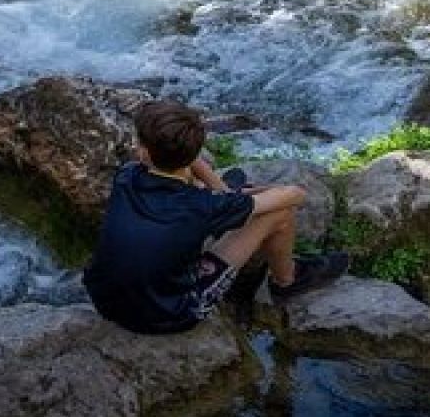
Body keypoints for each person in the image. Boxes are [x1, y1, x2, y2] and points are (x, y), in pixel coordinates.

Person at [82, 99, 349, 335]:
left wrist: (224, 193)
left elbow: (180, 164)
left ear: (143, 152)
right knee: (280, 212)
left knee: (212, 200)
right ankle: (287, 280)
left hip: (104, 302)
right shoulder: (203, 206)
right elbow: (295, 195)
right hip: (169, 316)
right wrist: (238, 197)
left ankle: (232, 196)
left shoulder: (126, 175)